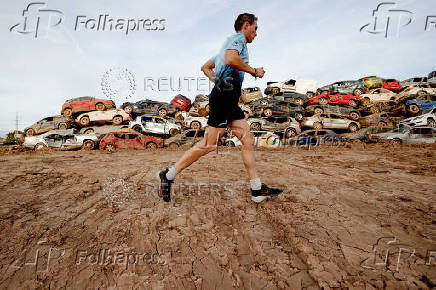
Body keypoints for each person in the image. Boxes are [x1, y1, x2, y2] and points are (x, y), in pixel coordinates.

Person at [157, 13, 283, 203]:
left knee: (247, 140)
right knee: (208, 144)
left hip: (229, 100)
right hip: (223, 98)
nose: (256, 34)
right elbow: (232, 60)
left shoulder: (225, 48)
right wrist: (254, 71)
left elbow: (205, 67)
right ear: (246, 25)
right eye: (255, 29)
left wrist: (217, 80)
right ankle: (168, 175)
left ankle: (256, 189)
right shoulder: (237, 39)